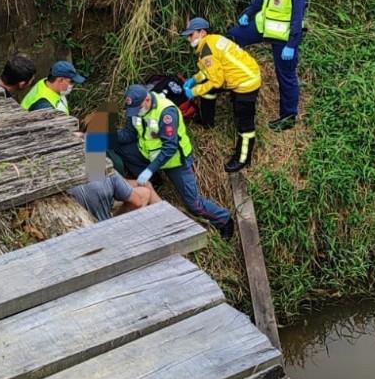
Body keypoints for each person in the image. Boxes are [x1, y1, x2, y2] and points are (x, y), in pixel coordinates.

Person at [111, 84, 234, 240]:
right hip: (148, 154)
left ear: (147, 99)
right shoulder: (136, 109)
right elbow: (128, 135)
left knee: (194, 204)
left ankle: (224, 220)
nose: (135, 113)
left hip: (175, 162)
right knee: (122, 148)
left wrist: (149, 170)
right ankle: (156, 180)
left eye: (138, 108)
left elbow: (170, 148)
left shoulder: (166, 112)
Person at [227, 0, 307, 132]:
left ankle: (287, 117)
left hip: (283, 36)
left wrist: (292, 43)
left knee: (286, 75)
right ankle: (229, 80)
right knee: (232, 37)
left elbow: (298, 17)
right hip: (263, 25)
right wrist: (248, 13)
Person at [180, 17, 261, 173]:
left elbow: (216, 81)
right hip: (244, 74)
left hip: (245, 84)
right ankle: (207, 120)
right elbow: (211, 71)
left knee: (245, 125)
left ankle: (242, 159)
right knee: (208, 91)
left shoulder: (206, 50)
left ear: (202, 32)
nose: (189, 38)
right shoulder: (212, 41)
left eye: (191, 35)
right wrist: (194, 79)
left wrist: (194, 92)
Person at [67, 173, 160, 222]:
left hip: (75, 228)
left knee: (145, 187)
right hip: (103, 224)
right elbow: (137, 202)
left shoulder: (59, 174)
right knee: (144, 191)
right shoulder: (98, 163)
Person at [20, 60, 85, 114]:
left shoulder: (46, 82)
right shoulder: (44, 106)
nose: (72, 85)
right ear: (60, 80)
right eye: (71, 81)